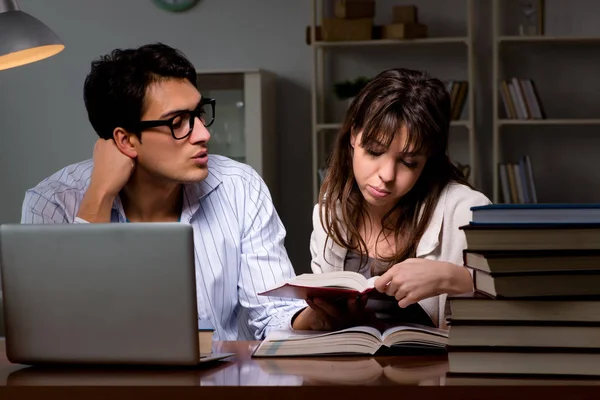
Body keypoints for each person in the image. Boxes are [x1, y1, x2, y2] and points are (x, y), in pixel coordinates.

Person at [20, 42, 321, 339]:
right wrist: (99, 197)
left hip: (220, 383)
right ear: (125, 141)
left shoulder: (239, 186)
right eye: (178, 122)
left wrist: (315, 317)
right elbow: (56, 330)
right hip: (99, 386)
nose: (204, 133)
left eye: (200, 113)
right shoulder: (52, 202)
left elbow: (272, 312)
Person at [293, 68, 491, 332]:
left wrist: (453, 278)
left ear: (428, 160)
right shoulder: (330, 213)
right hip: (347, 369)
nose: (386, 175)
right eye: (374, 151)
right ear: (353, 136)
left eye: (409, 162)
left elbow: (524, 296)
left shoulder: (467, 211)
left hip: (438, 372)